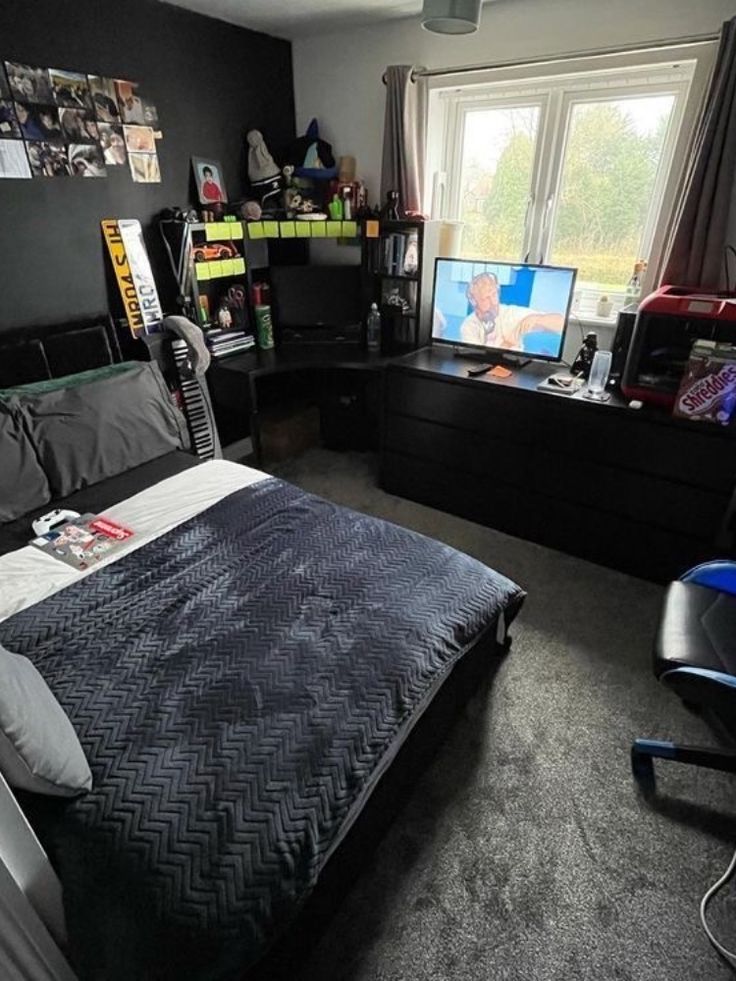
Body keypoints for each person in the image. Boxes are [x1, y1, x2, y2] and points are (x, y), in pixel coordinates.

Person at [459, 271, 564, 351]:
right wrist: (507, 344)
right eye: (485, 298)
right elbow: (476, 358)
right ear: (474, 302)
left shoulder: (511, 313)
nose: (493, 302)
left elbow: (560, 322)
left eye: (494, 295)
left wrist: (537, 320)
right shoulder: (469, 325)